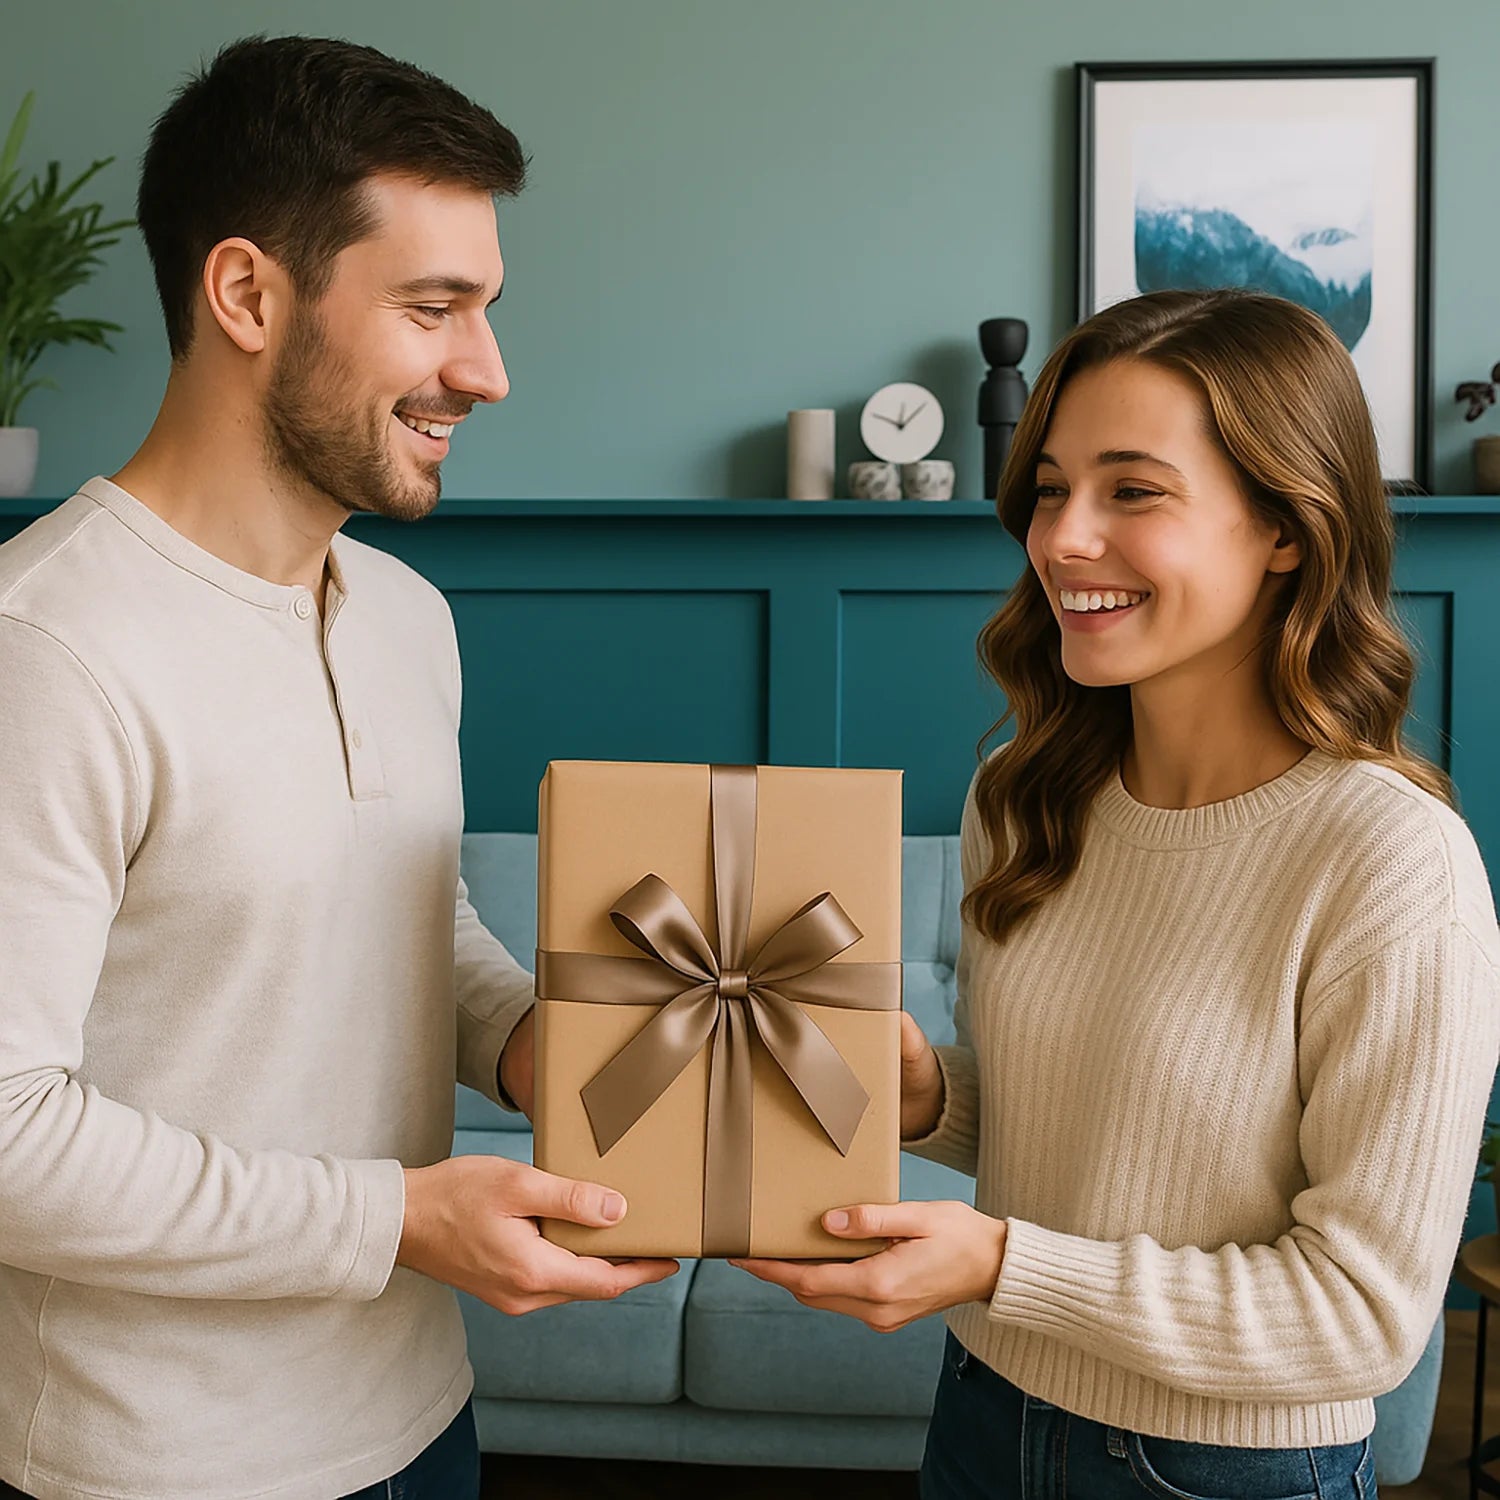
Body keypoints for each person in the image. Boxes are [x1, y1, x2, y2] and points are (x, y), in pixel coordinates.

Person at [0, 36, 675, 1500]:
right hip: (155, 1465)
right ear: (248, 292)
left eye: (486, 310)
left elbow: (399, 916)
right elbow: (6, 1135)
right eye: (434, 309)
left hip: (420, 1418)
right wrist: (397, 1221)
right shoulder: (43, 649)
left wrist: (523, 1041)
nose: (486, 371)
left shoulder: (403, 619)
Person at [734, 289, 1500, 1499]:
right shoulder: (1025, 795)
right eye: (1049, 487)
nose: (1062, 538)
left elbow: (1362, 1316)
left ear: (1286, 528)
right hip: (984, 1412)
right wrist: (936, 1095)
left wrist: (1000, 1265)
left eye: (1132, 491)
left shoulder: (1391, 861)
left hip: (1228, 1469)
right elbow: (1119, 1138)